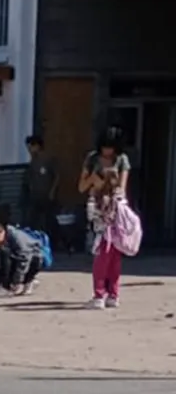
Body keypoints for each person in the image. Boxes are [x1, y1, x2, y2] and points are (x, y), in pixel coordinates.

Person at [86, 169, 124, 309]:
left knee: (100, 268)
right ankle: (113, 296)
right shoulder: (120, 196)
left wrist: (91, 198)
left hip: (103, 236)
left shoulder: (100, 197)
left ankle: (99, 297)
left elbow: (91, 216)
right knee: (114, 267)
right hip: (118, 237)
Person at [0, 218, 43, 297]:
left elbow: (24, 260)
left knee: (5, 255)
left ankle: (19, 283)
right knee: (3, 255)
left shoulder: (16, 237)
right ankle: (22, 282)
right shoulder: (4, 240)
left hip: (34, 258)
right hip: (21, 259)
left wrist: (16, 281)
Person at [78, 126, 130, 198]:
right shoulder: (92, 158)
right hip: (95, 200)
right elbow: (81, 188)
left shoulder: (122, 159)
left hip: (114, 200)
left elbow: (122, 189)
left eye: (110, 148)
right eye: (104, 147)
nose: (106, 151)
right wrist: (92, 178)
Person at [22, 135, 59, 236]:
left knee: (49, 220)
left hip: (46, 195)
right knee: (34, 220)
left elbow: (56, 176)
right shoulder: (32, 162)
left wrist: (52, 191)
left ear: (37, 146)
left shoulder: (48, 159)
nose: (30, 150)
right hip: (35, 196)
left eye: (31, 147)